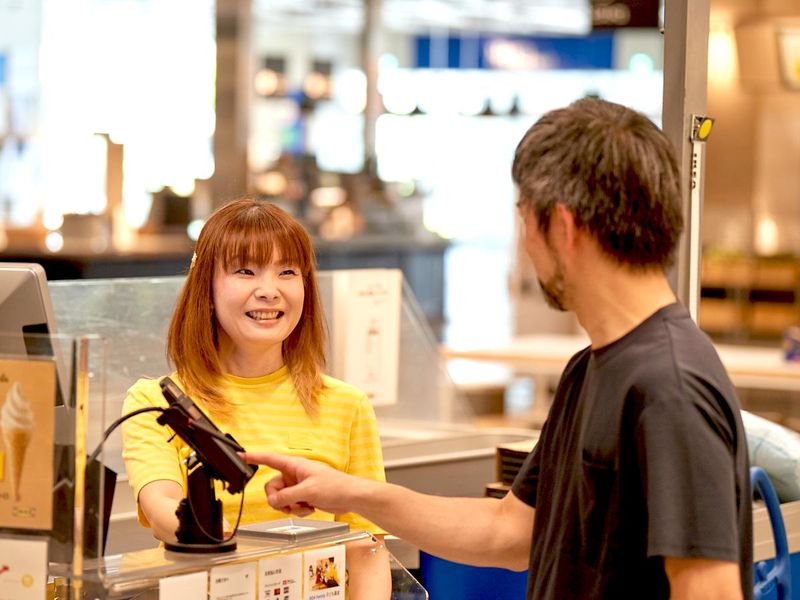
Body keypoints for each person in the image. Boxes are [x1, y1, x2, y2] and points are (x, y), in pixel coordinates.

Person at [243, 98, 753, 600]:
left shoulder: (668, 389)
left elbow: (710, 591)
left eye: (526, 221)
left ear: (563, 227)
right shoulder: (592, 368)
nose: (526, 244)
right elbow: (508, 532)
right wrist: (349, 491)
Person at [121, 198, 390, 597]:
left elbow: (366, 551)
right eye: (245, 271)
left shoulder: (346, 405)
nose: (269, 291)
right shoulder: (159, 403)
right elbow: (161, 506)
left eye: (287, 272)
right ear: (206, 287)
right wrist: (212, 537)